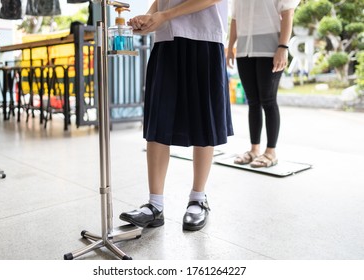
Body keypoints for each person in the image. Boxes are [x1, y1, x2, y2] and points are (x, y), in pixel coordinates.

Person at [119, 0, 233, 231]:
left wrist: (165, 15)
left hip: (205, 37)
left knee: (204, 122)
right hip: (166, 39)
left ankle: (198, 198)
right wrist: (150, 17)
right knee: (158, 121)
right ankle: (155, 205)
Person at [226, 0, 300, 168]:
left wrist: (283, 46)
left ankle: (271, 152)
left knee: (268, 100)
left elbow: (288, 13)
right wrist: (230, 46)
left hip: (271, 49)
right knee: (253, 102)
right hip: (245, 49)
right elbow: (235, 19)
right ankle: (254, 150)